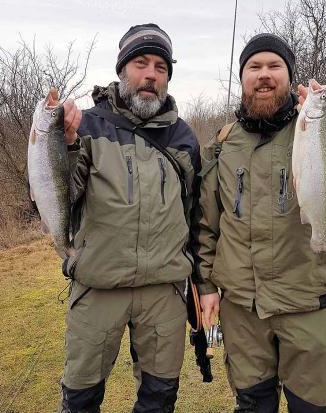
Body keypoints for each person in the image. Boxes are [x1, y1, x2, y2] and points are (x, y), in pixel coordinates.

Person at [195, 33, 326, 413]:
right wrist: (206, 283)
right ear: (242, 78)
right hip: (243, 310)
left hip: (307, 303)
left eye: (274, 66)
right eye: (254, 67)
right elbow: (206, 225)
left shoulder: (314, 131)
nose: (264, 75)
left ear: (289, 75)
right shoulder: (221, 146)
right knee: (252, 405)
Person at [55, 23, 201, 413]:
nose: (151, 75)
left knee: (159, 399)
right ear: (122, 70)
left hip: (164, 293)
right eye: (140, 63)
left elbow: (197, 216)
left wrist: (204, 284)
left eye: (161, 67)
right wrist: (64, 144)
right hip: (98, 287)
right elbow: (56, 195)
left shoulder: (184, 138)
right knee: (81, 399)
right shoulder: (84, 126)